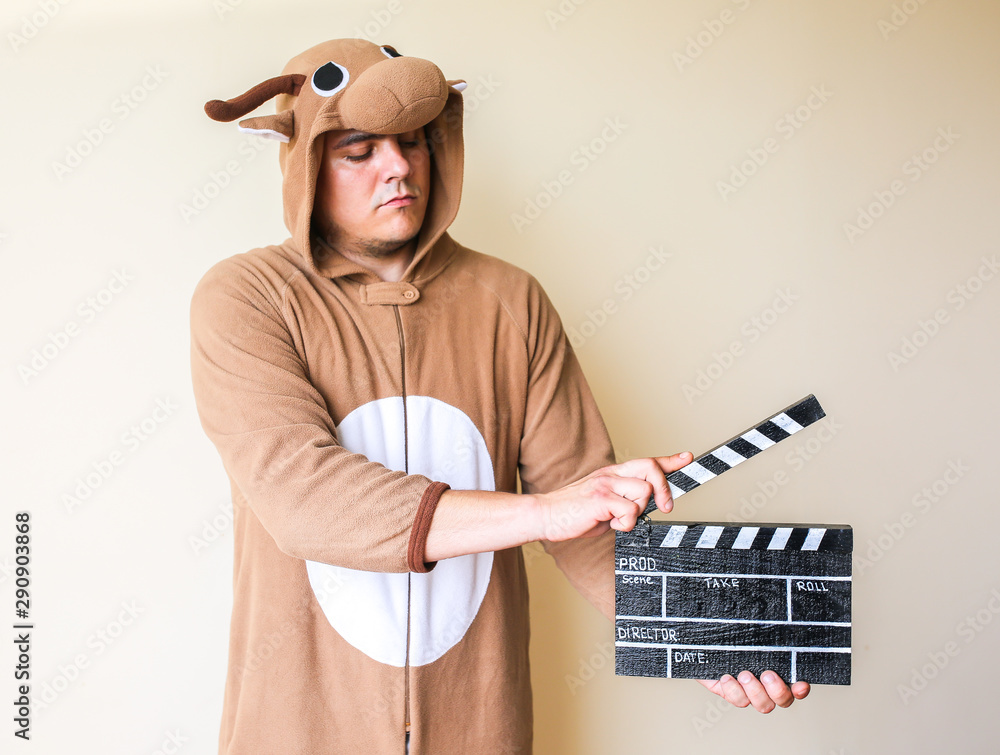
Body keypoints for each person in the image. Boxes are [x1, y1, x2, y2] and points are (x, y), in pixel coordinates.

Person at [190, 38, 808, 755]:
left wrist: (712, 638)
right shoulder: (245, 298)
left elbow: (590, 533)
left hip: (480, 731)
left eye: (414, 142)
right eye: (359, 150)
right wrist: (546, 510)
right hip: (297, 733)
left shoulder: (511, 301)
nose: (398, 166)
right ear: (303, 163)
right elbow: (306, 500)